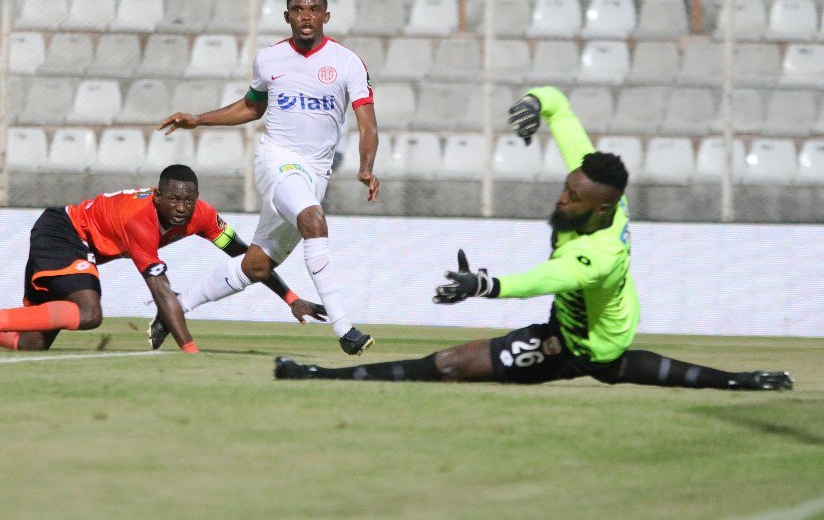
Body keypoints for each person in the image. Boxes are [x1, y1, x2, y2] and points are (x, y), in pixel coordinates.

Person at [274, 87, 794, 391]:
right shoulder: (596, 184)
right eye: (566, 188)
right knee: (451, 363)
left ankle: (737, 381)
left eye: (572, 197)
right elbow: (561, 108)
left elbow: (551, 276)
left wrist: (485, 284)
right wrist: (533, 102)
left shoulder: (601, 253)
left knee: (612, 364)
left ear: (603, 209)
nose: (561, 200)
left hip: (579, 344)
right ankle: (321, 376)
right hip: (567, 325)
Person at [159, 0, 381, 356]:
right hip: (275, 160)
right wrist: (200, 119)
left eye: (313, 9)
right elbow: (252, 106)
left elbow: (367, 123)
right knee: (314, 220)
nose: (305, 16)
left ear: (325, 15)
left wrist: (365, 167)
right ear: (287, 16)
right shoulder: (270, 58)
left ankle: (176, 307)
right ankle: (345, 329)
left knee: (257, 266)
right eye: (297, 9)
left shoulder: (347, 63)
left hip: (315, 172)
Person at [0, 164, 325, 353]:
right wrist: (191, 350)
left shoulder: (203, 216)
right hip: (62, 233)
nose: (182, 208)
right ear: (158, 196)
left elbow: (247, 257)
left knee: (32, 344)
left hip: (76, 247)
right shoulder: (140, 221)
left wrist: (292, 299)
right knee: (89, 312)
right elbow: (161, 290)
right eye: (174, 199)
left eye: (189, 201)